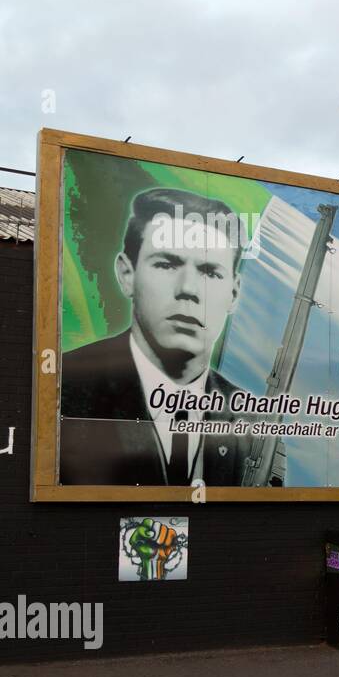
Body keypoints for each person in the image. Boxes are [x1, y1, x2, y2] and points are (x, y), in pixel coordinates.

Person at [60, 187, 254, 486]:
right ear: (127, 274)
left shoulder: (250, 416)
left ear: (234, 293)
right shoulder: (64, 387)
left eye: (209, 272)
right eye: (166, 264)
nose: (187, 288)